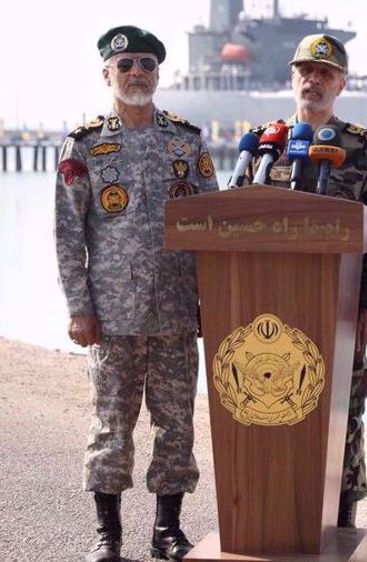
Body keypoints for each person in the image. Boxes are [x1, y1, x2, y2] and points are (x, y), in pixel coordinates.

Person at [53, 25, 219, 562]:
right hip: (112, 315)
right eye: (125, 66)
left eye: (146, 64)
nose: (136, 74)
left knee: (176, 424)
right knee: (112, 427)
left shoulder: (186, 141)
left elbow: (214, 225)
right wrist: (79, 308)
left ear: (158, 73)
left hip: (176, 312)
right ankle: (108, 535)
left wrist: (212, 304)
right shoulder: (84, 146)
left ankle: (167, 531)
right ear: (107, 74)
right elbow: (67, 233)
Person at [244, 33, 367, 528]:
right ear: (292, 79)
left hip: (338, 305)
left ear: (341, 84)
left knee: (343, 408)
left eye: (325, 74)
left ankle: (341, 516)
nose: (313, 80)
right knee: (268, 404)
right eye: (305, 72)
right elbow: (236, 215)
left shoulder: (360, 146)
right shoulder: (265, 142)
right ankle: (268, 513)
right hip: (265, 309)